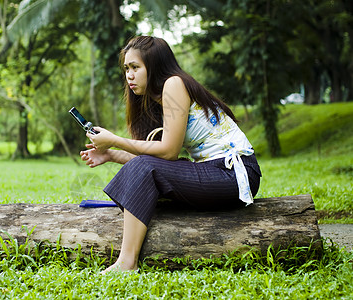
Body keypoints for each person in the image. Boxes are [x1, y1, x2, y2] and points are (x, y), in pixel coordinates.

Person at [79, 36, 262, 273]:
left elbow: (167, 151)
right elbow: (159, 162)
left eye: (135, 67)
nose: (129, 75)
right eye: (126, 68)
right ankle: (127, 261)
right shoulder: (157, 100)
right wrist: (111, 155)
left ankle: (126, 264)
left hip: (235, 173)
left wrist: (114, 140)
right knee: (144, 167)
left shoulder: (174, 84)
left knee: (145, 166)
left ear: (154, 67)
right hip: (216, 172)